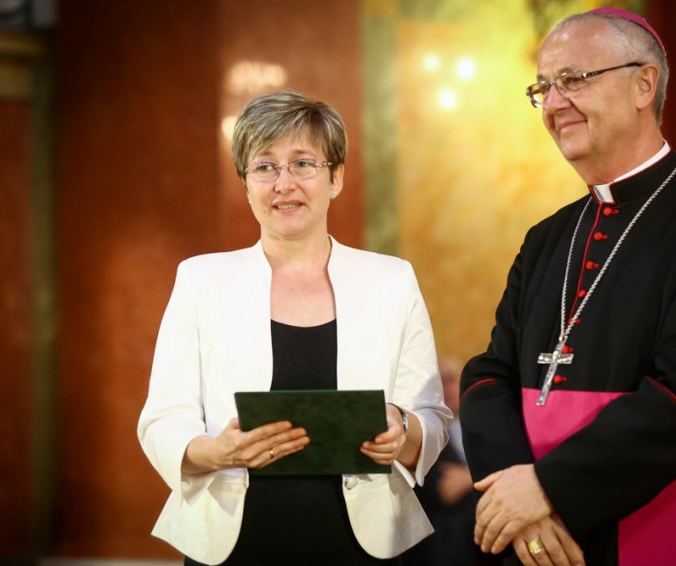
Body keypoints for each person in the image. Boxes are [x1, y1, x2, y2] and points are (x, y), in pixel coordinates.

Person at [459, 7, 676, 566]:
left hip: (665, 521)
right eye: (544, 88)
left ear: (643, 86)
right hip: (535, 540)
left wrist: (549, 489)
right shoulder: (546, 237)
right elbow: (490, 375)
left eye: (573, 79)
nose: (553, 104)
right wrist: (514, 490)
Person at [138, 89, 452, 566]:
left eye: (303, 163)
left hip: (365, 542)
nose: (283, 184)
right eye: (265, 167)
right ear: (246, 183)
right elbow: (164, 419)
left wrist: (402, 430)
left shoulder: (392, 280)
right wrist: (217, 451)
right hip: (232, 542)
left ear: (336, 177)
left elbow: (430, 415)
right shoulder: (201, 280)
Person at [403, 357, 480, 566]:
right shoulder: (422, 436)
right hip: (446, 539)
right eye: (439, 383)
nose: (446, 390)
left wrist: (469, 478)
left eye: (450, 380)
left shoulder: (483, 426)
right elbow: (447, 490)